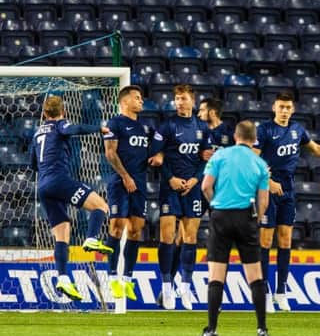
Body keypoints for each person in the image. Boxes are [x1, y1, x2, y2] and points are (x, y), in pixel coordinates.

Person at [30, 95, 112, 301]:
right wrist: (98, 129)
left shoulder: (37, 133)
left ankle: (63, 279)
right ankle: (92, 239)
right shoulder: (60, 124)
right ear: (63, 112)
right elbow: (71, 130)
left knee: (62, 231)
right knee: (100, 206)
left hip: (43, 186)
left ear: (44, 113)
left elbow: (33, 164)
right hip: (59, 180)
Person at [254, 91, 320, 313]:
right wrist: (268, 179)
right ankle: (264, 293)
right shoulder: (265, 129)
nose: (284, 111)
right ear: (274, 108)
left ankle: (281, 292)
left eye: (288, 107)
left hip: (288, 192)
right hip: (267, 191)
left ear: (293, 109)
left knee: (285, 241)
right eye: (281, 107)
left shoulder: (298, 130)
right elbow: (252, 158)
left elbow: (315, 149)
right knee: (265, 241)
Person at [198, 120, 270, 336]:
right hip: (246, 216)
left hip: (220, 215)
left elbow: (205, 186)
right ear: (254, 139)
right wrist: (255, 219)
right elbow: (264, 201)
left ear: (236, 136)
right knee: (255, 275)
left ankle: (211, 329)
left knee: (216, 275)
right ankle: (261, 329)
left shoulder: (219, 156)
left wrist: (215, 204)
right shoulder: (260, 163)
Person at [148, 84, 213, 310]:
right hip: (170, 187)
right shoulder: (167, 126)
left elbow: (207, 159)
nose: (180, 102)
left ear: (192, 101)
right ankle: (167, 288)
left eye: (183, 98)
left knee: (190, 237)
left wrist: (195, 179)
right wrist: (170, 179)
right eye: (177, 99)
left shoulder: (202, 128)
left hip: (193, 188)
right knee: (167, 236)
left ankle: (184, 287)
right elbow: (155, 156)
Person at [103, 85, 151, 301]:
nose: (141, 101)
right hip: (120, 182)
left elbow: (153, 152)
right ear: (125, 102)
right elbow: (110, 154)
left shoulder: (144, 128)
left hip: (139, 184)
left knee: (136, 231)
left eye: (141, 98)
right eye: (137, 98)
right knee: (116, 227)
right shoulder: (115, 123)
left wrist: (157, 158)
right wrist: (125, 176)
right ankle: (112, 278)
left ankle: (128, 280)